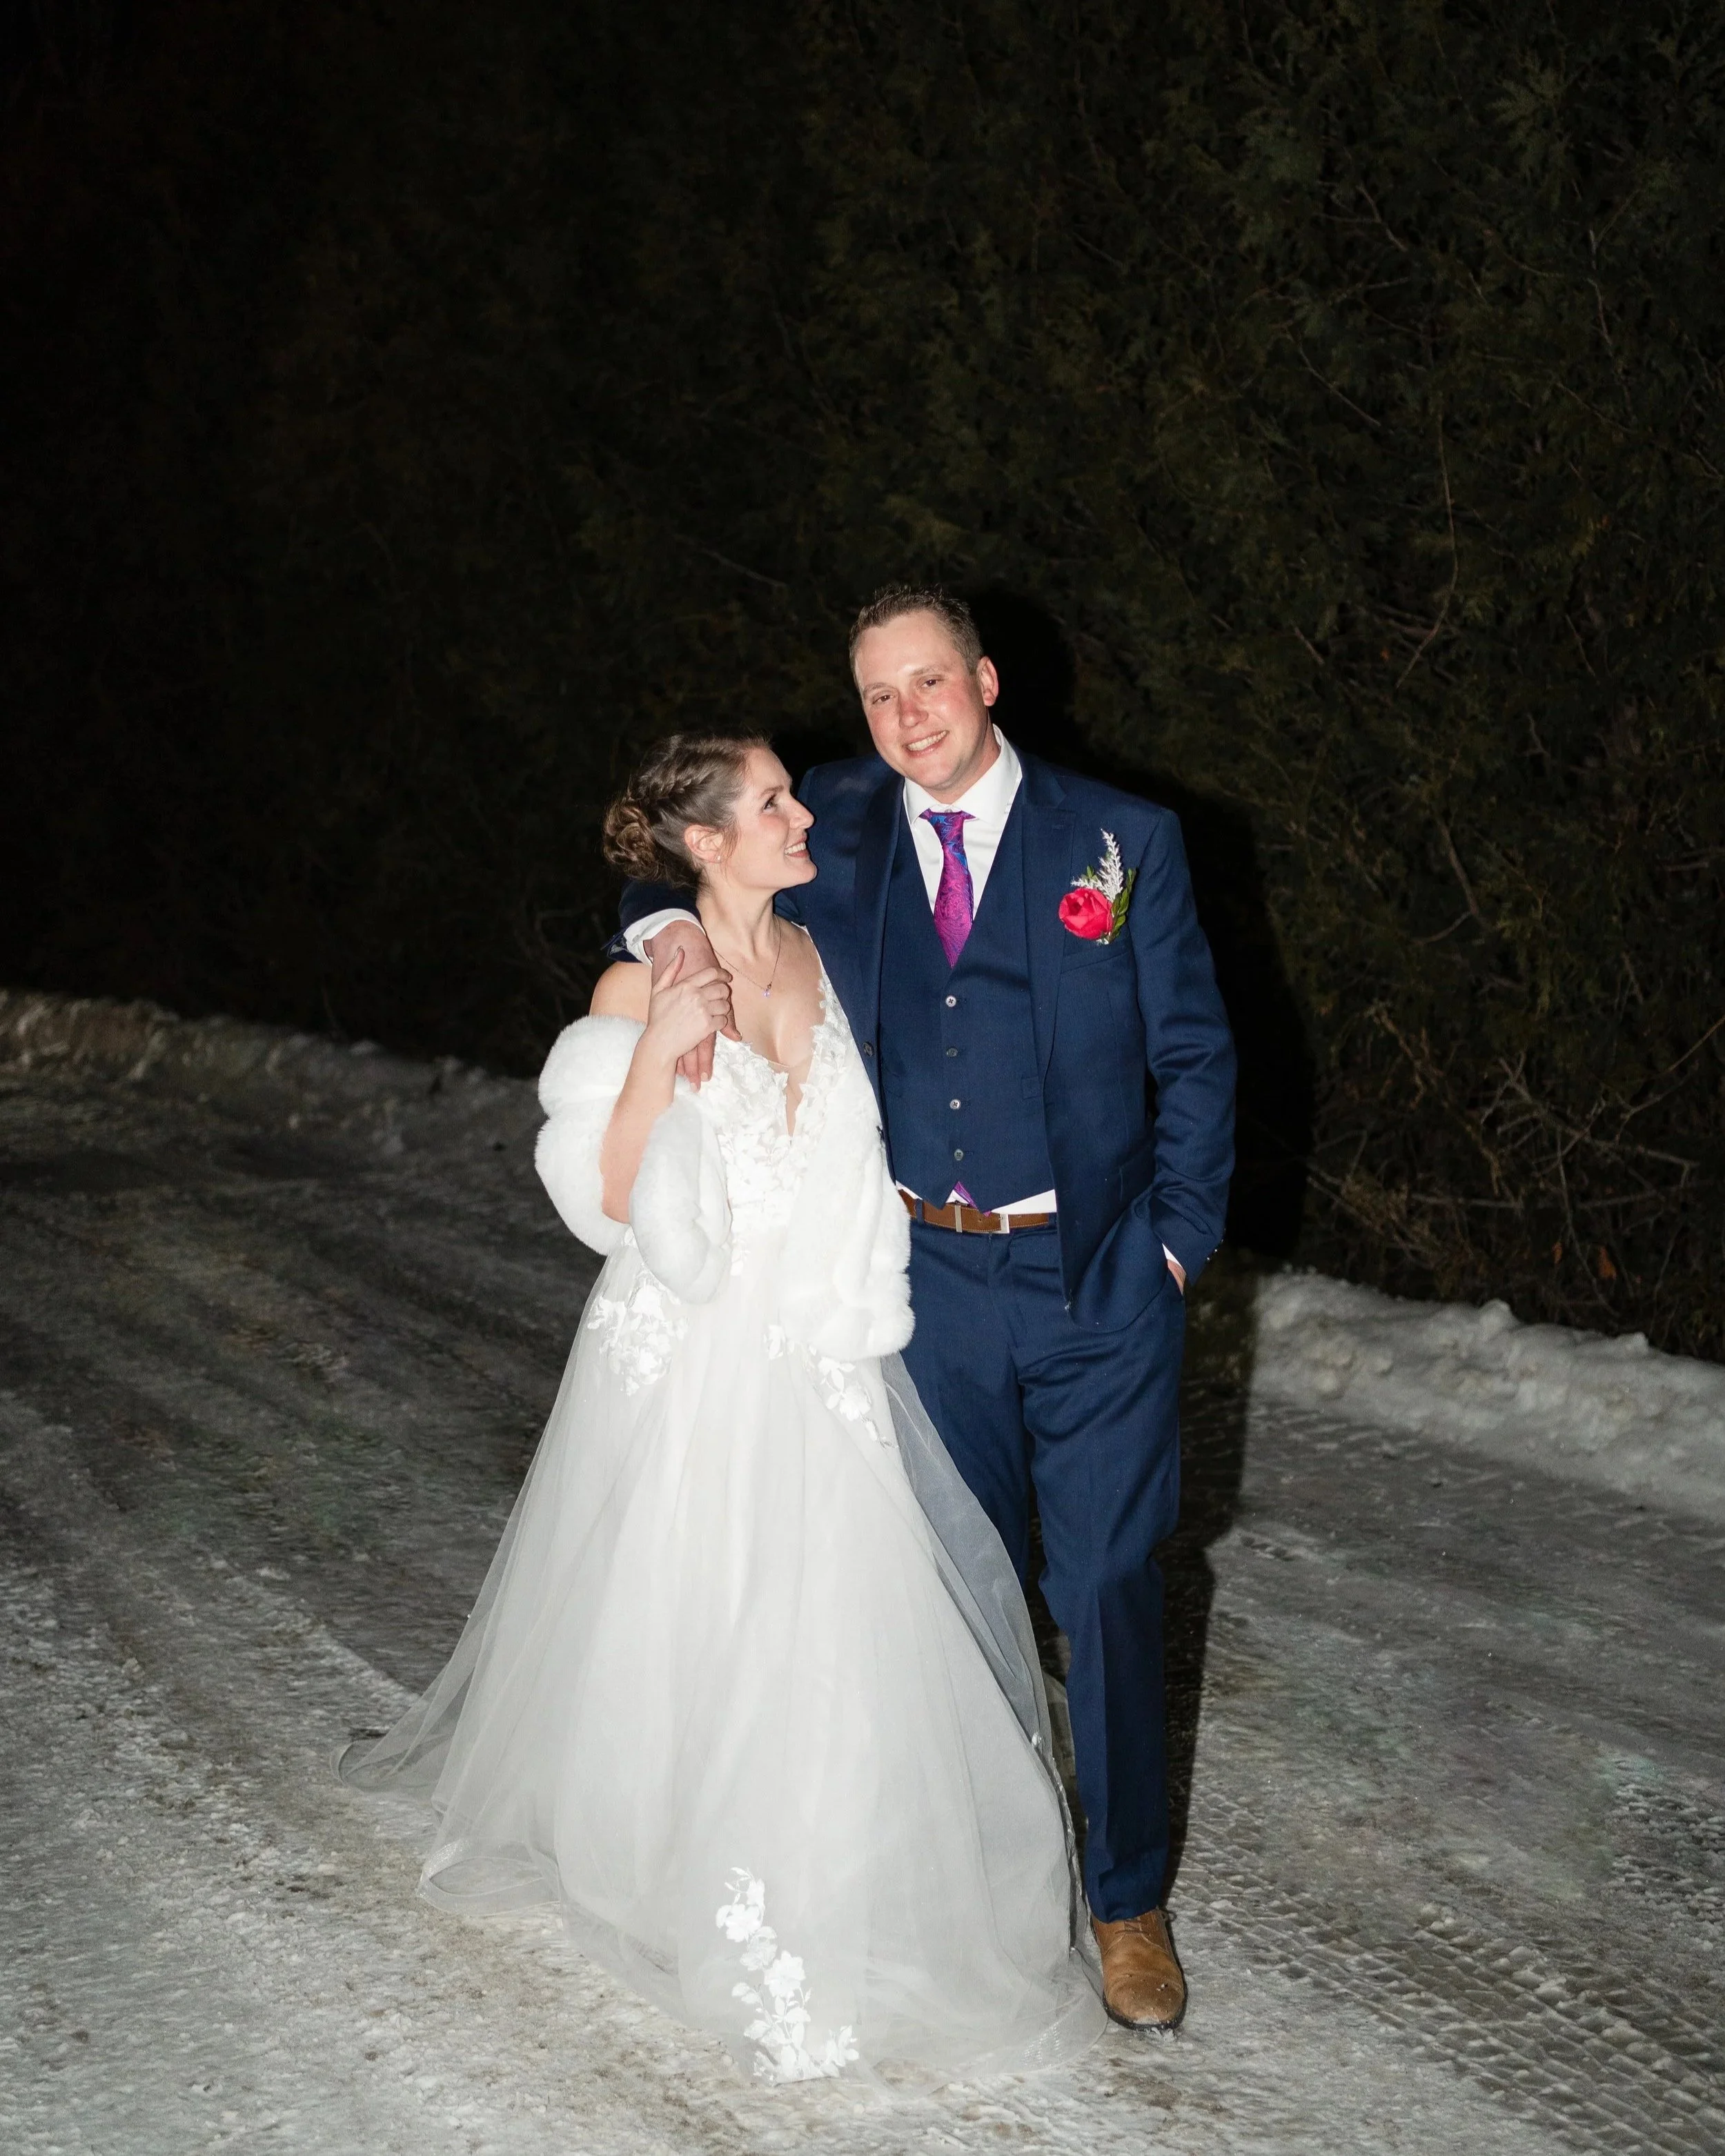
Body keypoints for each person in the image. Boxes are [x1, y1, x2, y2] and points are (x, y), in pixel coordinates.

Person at [340, 732, 1105, 2086]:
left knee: (833, 1622)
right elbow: (605, 1199)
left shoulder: (821, 956)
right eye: (769, 801)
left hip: (825, 1352)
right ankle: (685, 1859)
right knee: (700, 1610)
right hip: (692, 1354)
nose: (800, 810)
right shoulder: (638, 980)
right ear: (703, 838)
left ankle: (833, 1856)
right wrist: (653, 1057)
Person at [619, 589, 1236, 2030]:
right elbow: (669, 851)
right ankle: (978, 1877)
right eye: (879, 695)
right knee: (951, 1591)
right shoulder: (825, 816)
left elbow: (1196, 1056)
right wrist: (670, 939)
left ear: (985, 679)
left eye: (928, 684)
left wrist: (1175, 1245)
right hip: (920, 1283)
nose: (907, 716)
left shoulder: (1118, 841)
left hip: (1093, 1279)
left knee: (1104, 1584)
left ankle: (1125, 1898)